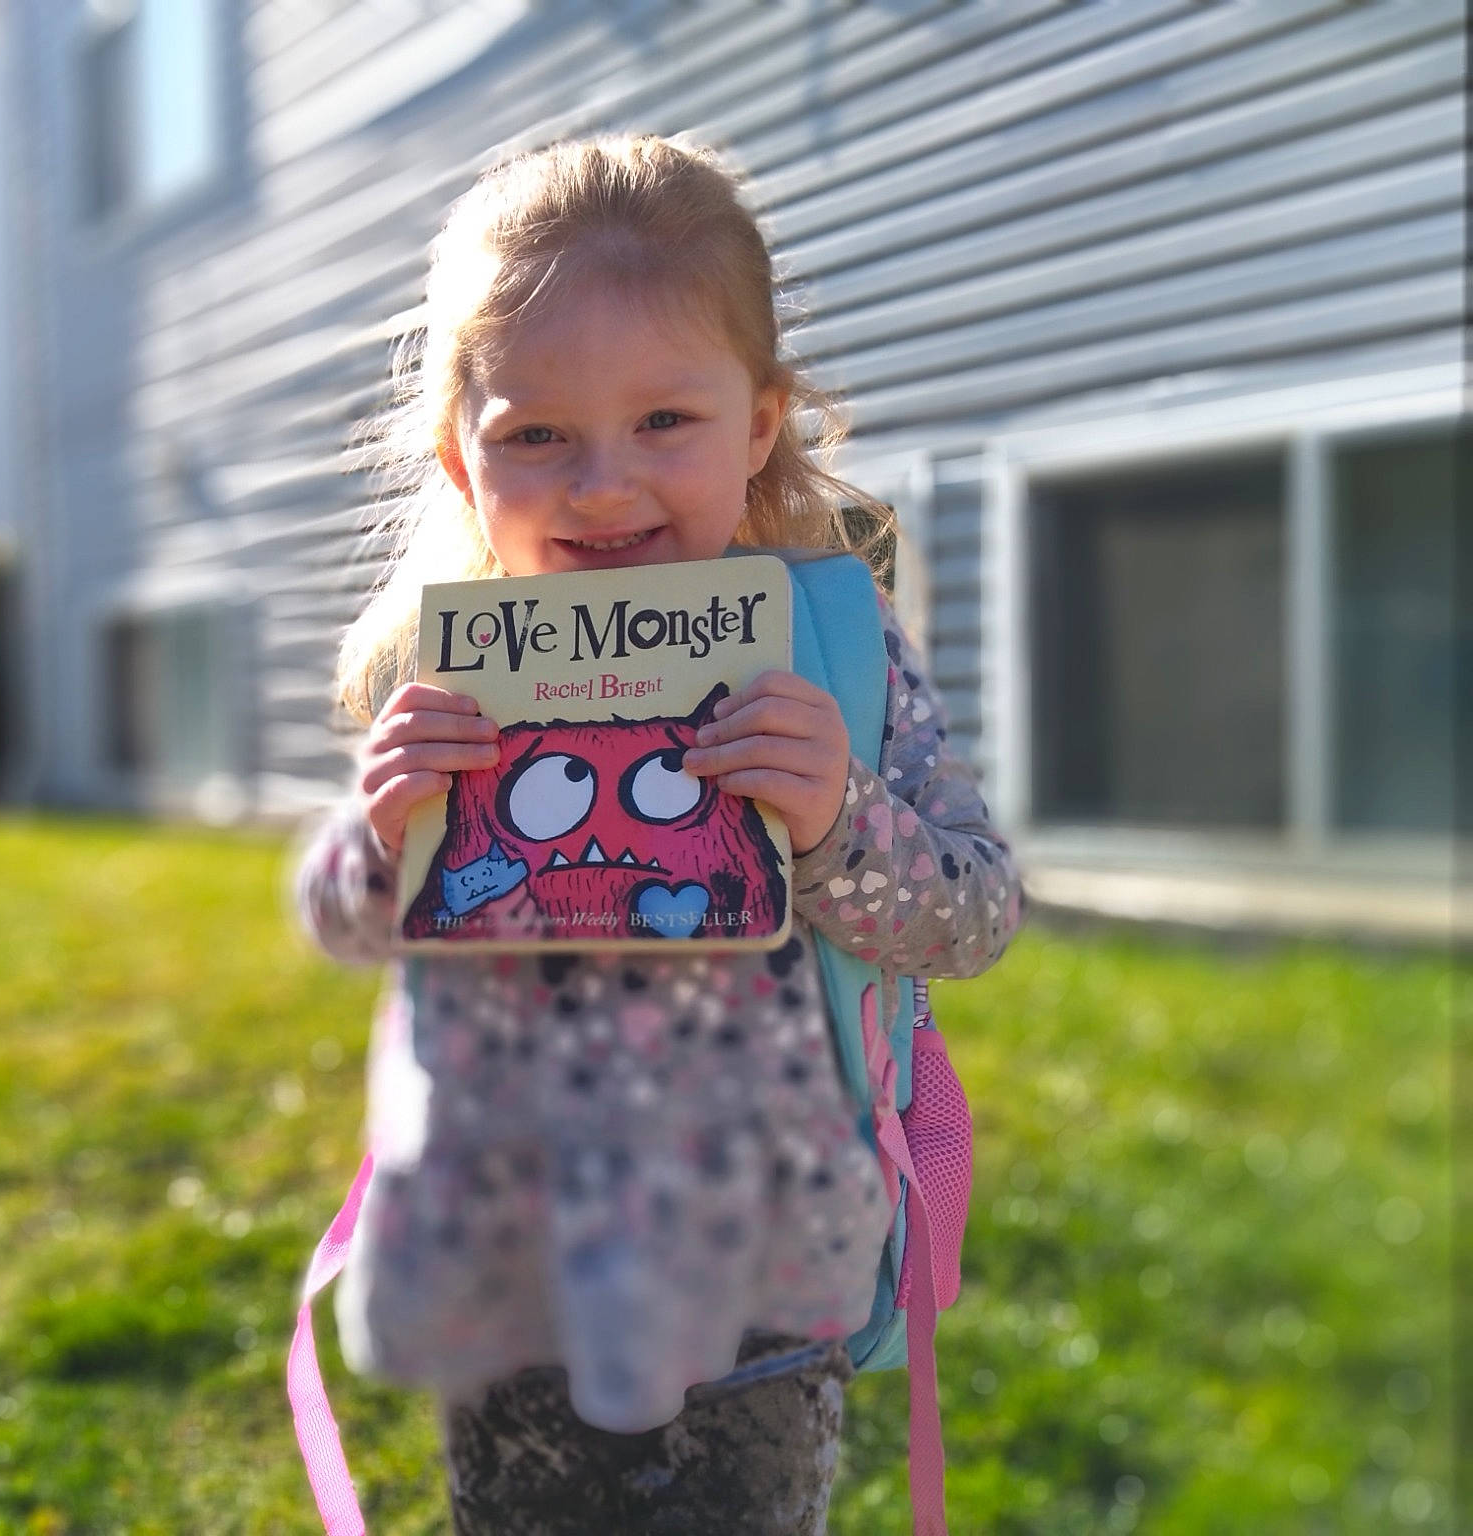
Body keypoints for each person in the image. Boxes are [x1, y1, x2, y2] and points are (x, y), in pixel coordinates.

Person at [292, 133, 1021, 1535]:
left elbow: (973, 914)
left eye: (664, 423)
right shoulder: (448, 676)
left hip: (764, 1275)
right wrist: (385, 829)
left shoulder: (834, 652)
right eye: (536, 435)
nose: (603, 485)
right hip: (511, 1275)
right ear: (461, 458)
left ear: (759, 425)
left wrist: (834, 819)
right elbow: (344, 916)